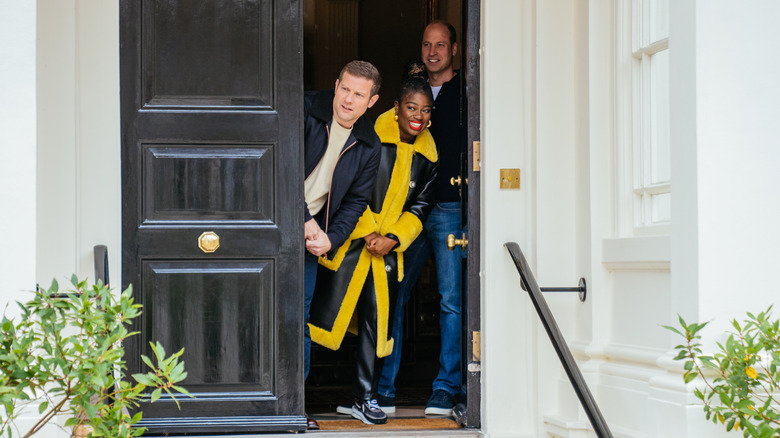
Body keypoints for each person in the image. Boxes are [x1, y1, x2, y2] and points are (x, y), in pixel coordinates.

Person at [309, 67, 438, 425]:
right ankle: (299, 395)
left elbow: (421, 207)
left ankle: (363, 397)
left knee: (374, 323)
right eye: (412, 108)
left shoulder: (429, 157)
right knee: (319, 315)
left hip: (385, 254)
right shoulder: (368, 136)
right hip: (347, 242)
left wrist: (393, 238)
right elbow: (349, 187)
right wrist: (366, 232)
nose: (418, 117)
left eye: (426, 111)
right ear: (395, 107)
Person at [375, 20, 467, 417]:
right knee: (394, 297)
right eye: (427, 44)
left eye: (441, 45)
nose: (433, 52)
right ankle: (382, 390)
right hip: (405, 213)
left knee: (451, 302)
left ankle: (446, 389)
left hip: (448, 207)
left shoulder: (468, 89)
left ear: (455, 49)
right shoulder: (407, 95)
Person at [303, 60, 382, 429]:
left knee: (296, 320)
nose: (349, 100)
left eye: (359, 94)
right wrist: (305, 220)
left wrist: (330, 238)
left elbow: (355, 202)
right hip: (274, 223)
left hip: (311, 236)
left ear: (372, 101)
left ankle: (291, 404)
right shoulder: (304, 110)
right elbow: (279, 168)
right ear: (335, 86)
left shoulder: (369, 143)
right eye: (345, 89)